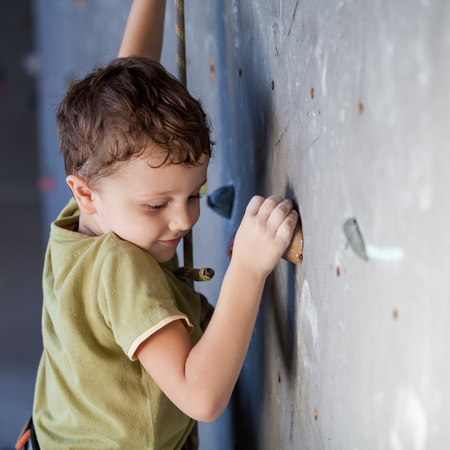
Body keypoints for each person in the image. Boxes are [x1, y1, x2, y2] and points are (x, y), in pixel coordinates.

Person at [19, 0, 298, 448]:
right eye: (156, 205)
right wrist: (247, 268)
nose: (184, 217)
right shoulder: (120, 267)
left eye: (193, 193)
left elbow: (131, 81)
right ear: (85, 192)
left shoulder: (85, 213)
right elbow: (201, 397)